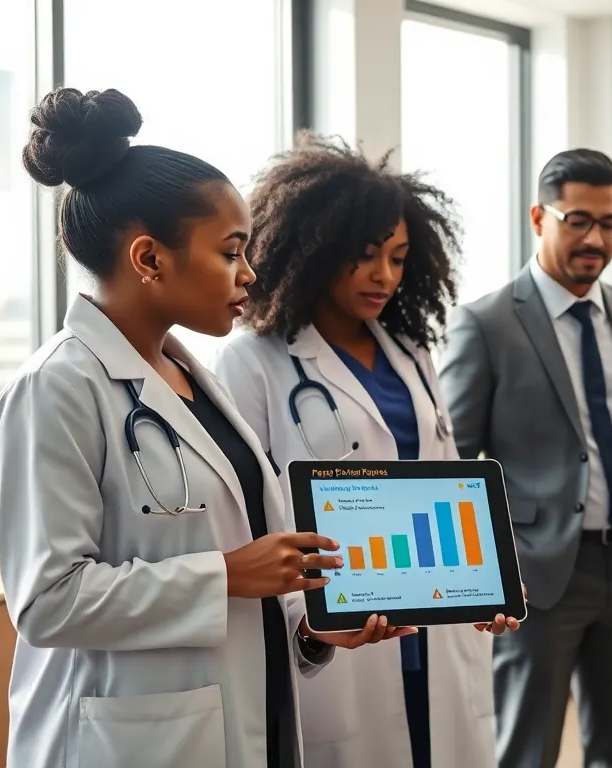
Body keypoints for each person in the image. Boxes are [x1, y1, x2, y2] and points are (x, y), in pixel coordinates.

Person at [0, 89, 406, 768]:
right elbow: (48, 602)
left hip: (248, 719)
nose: (250, 274)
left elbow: (238, 567)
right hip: (132, 740)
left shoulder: (192, 378)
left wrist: (313, 634)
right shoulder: (57, 388)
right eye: (231, 253)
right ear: (149, 258)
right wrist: (227, 575)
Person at [212, 134, 522, 768]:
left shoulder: (411, 352)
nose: (385, 276)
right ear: (315, 250)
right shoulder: (253, 361)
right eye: (366, 256)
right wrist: (307, 621)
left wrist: (485, 579)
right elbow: (248, 517)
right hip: (337, 626)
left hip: (432, 625)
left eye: (399, 258)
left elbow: (448, 483)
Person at [438, 148, 612, 768]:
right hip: (539, 574)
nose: (595, 239)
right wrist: (486, 574)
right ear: (539, 218)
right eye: (578, 221)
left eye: (609, 223)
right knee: (527, 751)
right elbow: (455, 466)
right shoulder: (486, 323)